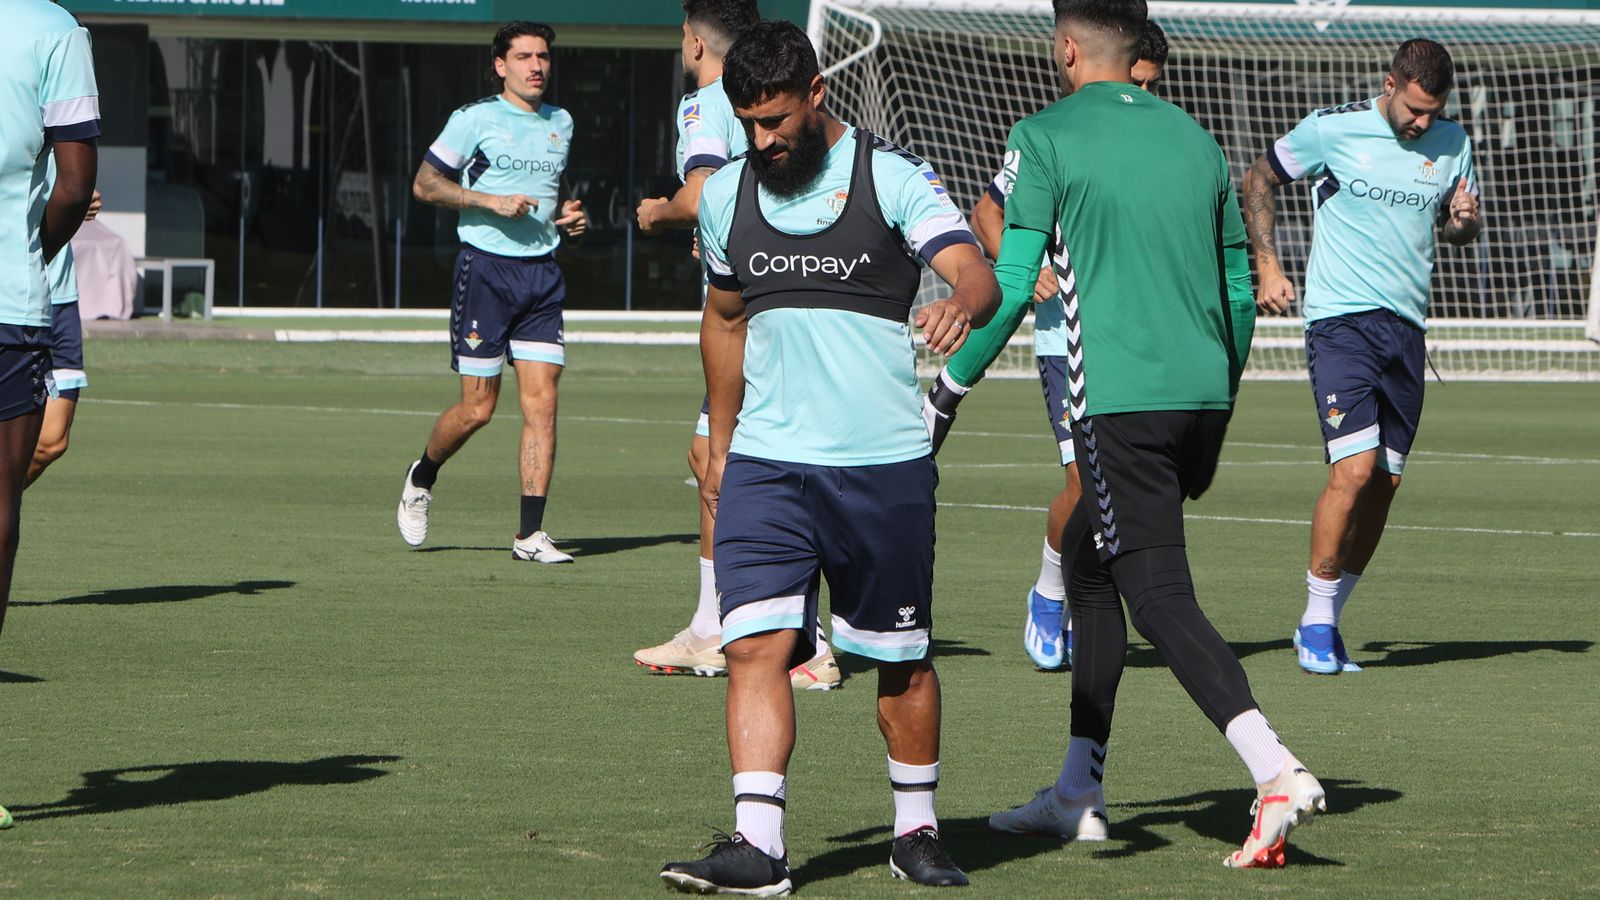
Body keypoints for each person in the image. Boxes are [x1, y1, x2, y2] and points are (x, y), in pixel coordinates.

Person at [979, 0, 1323, 870]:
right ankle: (1077, 792)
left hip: (1117, 403)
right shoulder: (1200, 140)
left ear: (1064, 47)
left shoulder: (1045, 133)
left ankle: (1273, 768)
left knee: (1157, 594)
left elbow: (1015, 280)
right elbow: (1240, 290)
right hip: (1203, 395)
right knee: (1091, 562)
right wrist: (1223, 390)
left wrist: (944, 391)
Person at [657, 21, 999, 894]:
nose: (763, 141)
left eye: (775, 121)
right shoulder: (728, 194)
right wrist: (720, 439)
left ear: (816, 95)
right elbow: (725, 319)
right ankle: (758, 844)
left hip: (880, 468)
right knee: (755, 647)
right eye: (747, 125)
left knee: (901, 657)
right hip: (768, 464)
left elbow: (975, 270)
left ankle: (915, 832)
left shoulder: (889, 175)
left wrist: (962, 295)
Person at [930, 18, 1169, 673]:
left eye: (1150, 85)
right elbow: (986, 213)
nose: (1138, 93)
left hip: (1135, 340)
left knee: (1120, 488)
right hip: (1067, 341)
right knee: (1083, 478)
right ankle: (1049, 592)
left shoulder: (1167, 143)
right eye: (1133, 79)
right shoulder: (1050, 136)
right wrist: (1020, 262)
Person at [1242, 39, 1480, 675]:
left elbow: (1459, 232)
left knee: (1385, 483)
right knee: (1353, 470)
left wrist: (1462, 219)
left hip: (1407, 333)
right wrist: (1268, 265)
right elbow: (1259, 177)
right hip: (1340, 323)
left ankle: (1325, 617)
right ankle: (1316, 624)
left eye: (1433, 112)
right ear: (1390, 83)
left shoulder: (1454, 143)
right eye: (1413, 109)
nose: (1422, 123)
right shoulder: (1332, 129)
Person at [631, 0, 842, 691]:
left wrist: (658, 212)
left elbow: (698, 193)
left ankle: (804, 643)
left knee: (761, 465)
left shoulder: (707, 102)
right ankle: (714, 623)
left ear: (695, 41)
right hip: (773, 307)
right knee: (710, 458)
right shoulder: (775, 102)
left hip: (755, 318)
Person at [396, 21, 589, 562]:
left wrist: (570, 216)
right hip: (484, 273)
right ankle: (422, 475)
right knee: (478, 410)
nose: (536, 66)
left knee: (543, 406)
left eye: (543, 56)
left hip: (542, 277)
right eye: (524, 56)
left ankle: (529, 535)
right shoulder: (474, 118)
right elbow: (424, 184)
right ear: (500, 66)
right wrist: (489, 202)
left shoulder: (561, 121)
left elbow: (557, 185)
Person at [0, 0, 100, 830]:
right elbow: (75, 183)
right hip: (7, 303)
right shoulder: (54, 27)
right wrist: (33, 254)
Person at [27, 167, 100, 488]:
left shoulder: (62, 129)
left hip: (60, 298)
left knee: (53, 440)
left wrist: (78, 198)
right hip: (16, 297)